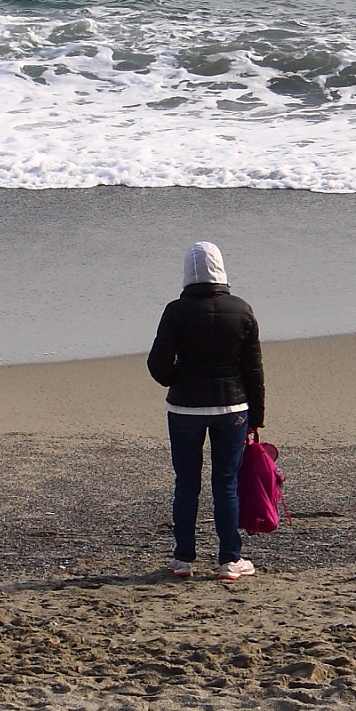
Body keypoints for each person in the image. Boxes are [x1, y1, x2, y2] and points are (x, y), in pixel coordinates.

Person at [147, 240, 265, 581]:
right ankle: (230, 559)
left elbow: (158, 366)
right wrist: (256, 418)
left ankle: (182, 559)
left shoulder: (175, 311)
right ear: (221, 270)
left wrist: (178, 376)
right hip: (233, 407)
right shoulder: (242, 310)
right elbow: (254, 370)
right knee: (225, 483)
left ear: (187, 273)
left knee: (186, 483)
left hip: (184, 407)